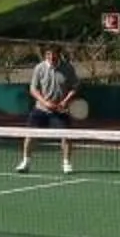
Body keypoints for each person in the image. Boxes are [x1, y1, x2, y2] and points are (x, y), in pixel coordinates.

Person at [18, 43, 80, 174]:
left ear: (59, 54)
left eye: (53, 54)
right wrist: (45, 102)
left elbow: (75, 87)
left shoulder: (67, 68)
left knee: (66, 137)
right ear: (45, 55)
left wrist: (65, 101)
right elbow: (33, 89)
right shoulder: (39, 68)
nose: (51, 57)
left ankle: (66, 164)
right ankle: (26, 162)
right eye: (48, 54)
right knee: (30, 135)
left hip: (60, 109)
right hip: (41, 109)